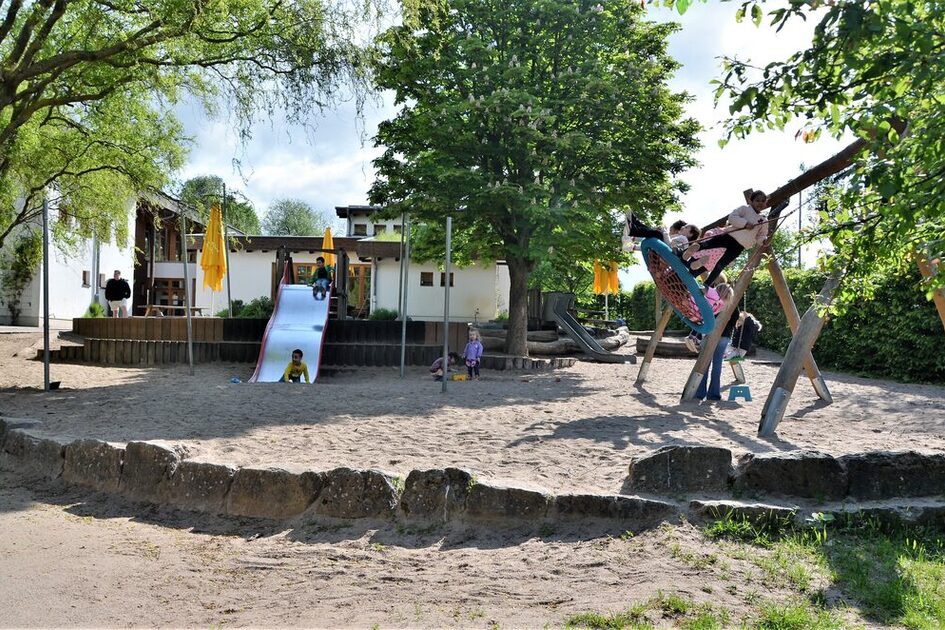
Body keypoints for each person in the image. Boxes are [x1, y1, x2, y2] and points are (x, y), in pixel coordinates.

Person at [684, 191, 786, 287]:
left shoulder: (764, 221)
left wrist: (764, 241)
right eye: (757, 200)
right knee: (706, 244)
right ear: (751, 201)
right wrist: (745, 223)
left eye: (763, 201)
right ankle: (684, 253)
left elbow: (761, 235)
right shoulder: (745, 209)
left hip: (739, 246)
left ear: (766, 203)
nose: (760, 203)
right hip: (729, 237)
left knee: (721, 264)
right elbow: (732, 217)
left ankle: (707, 285)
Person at [695, 307, 739, 401]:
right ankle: (714, 394)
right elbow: (735, 318)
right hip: (725, 335)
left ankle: (700, 392)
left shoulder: (712, 299)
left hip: (709, 333)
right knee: (717, 364)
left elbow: (702, 315)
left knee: (704, 363)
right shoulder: (732, 302)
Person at [684, 282, 733, 352]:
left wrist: (699, 290)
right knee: (705, 325)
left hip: (692, 309)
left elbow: (703, 289)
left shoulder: (713, 293)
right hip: (697, 315)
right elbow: (712, 313)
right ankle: (695, 338)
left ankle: (693, 338)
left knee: (703, 323)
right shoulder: (722, 305)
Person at [623, 213, 700, 253]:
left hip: (665, 253)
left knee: (658, 234)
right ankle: (635, 226)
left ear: (691, 234)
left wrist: (664, 232)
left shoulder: (684, 239)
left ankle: (633, 229)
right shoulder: (681, 240)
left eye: (686, 227)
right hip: (661, 252)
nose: (683, 227)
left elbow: (669, 245)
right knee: (654, 234)